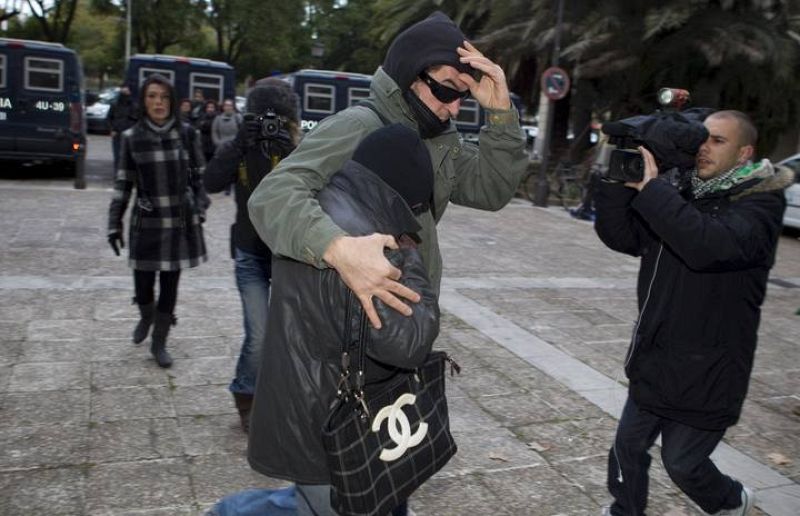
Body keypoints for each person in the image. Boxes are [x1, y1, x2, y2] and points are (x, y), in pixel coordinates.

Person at [247, 11, 528, 332]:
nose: (454, 108)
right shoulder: (359, 125)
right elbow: (272, 195)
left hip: (400, 324)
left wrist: (501, 114)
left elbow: (491, 190)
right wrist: (336, 247)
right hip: (349, 328)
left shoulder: (439, 140)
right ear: (411, 75)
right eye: (448, 89)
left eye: (463, 96)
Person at [594, 110, 793, 516]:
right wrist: (621, 181)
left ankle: (729, 501)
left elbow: (708, 246)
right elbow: (623, 236)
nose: (704, 147)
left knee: (683, 463)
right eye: (700, 138)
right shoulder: (679, 191)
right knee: (626, 448)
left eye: (718, 140)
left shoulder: (759, 203)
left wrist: (654, 191)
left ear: (744, 153)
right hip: (656, 354)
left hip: (708, 368)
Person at [248, 123, 440, 516]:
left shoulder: (318, 207)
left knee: (307, 503)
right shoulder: (372, 244)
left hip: (299, 407)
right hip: (335, 431)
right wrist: (412, 256)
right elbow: (409, 342)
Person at [204, 80, 299, 433]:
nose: (270, 124)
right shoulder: (241, 146)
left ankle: (283, 397)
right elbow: (211, 182)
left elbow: (318, 188)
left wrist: (288, 149)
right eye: (263, 116)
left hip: (288, 254)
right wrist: (242, 142)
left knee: (290, 334)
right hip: (250, 254)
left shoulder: (296, 146)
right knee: (259, 334)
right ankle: (246, 394)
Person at [107, 74, 210, 368]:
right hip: (146, 222)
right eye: (152, 96)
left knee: (169, 285)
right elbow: (123, 184)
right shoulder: (131, 138)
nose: (158, 102)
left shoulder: (187, 134)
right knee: (142, 286)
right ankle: (145, 314)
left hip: (179, 222)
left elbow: (199, 178)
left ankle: (159, 342)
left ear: (173, 101)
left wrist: (199, 207)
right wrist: (114, 223)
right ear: (143, 101)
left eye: (164, 97)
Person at [108, 85, 138, 169]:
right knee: (118, 156)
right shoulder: (115, 105)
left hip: (129, 134)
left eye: (126, 92)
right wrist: (112, 129)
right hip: (117, 133)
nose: (125, 95)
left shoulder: (133, 106)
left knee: (128, 156)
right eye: (123, 93)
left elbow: (137, 120)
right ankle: (117, 176)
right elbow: (109, 118)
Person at [197, 99, 219, 163]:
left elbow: (211, 126)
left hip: (214, 146)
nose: (210, 109)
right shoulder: (201, 116)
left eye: (212, 107)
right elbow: (199, 126)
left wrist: (204, 124)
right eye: (208, 107)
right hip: (203, 146)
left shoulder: (218, 117)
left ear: (215, 108)